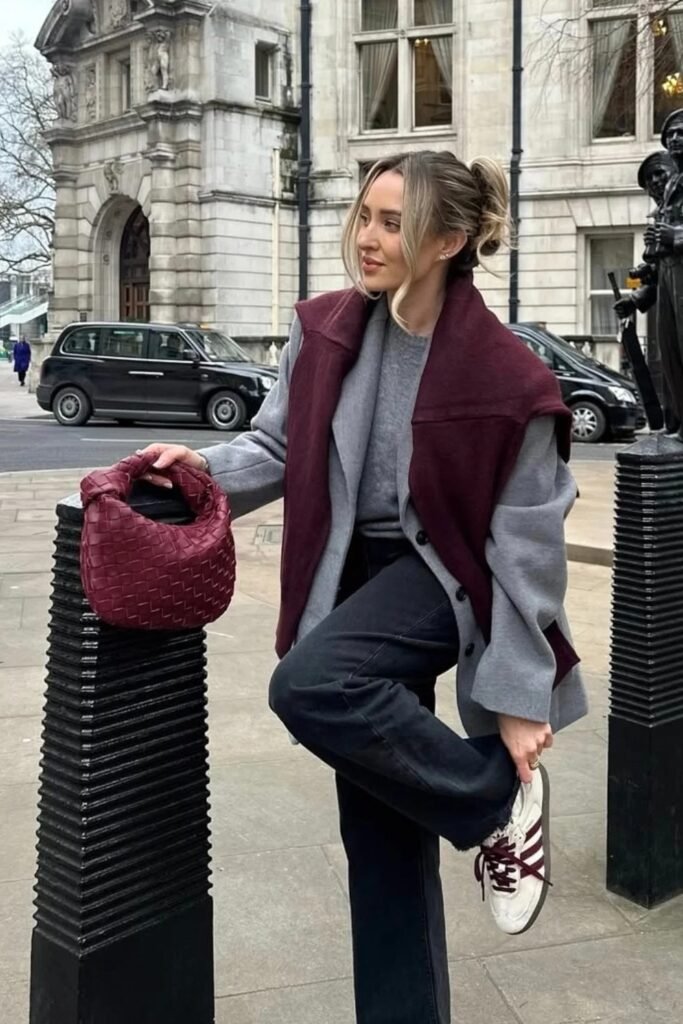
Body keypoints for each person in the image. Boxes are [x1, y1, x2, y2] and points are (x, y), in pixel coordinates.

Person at [138, 150, 587, 1024]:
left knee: (310, 683)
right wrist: (200, 472)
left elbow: (527, 543)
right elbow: (276, 446)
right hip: (351, 573)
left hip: (443, 577)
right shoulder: (329, 328)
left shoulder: (507, 377)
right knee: (380, 835)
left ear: (447, 240)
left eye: (392, 223)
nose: (367, 239)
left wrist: (520, 695)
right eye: (364, 217)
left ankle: (493, 799)